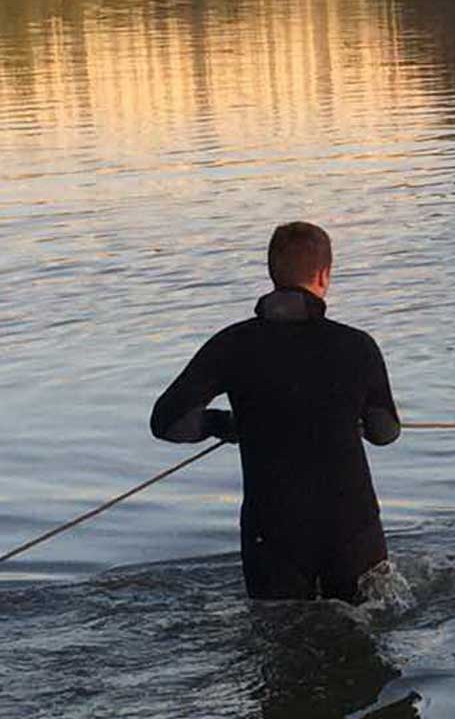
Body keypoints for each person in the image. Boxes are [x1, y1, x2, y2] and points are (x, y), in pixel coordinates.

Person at [150, 222, 401, 602]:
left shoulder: (232, 344)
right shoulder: (357, 346)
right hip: (352, 526)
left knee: (278, 637)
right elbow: (385, 432)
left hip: (272, 533)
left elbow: (168, 423)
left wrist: (225, 424)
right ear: (324, 273)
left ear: (272, 274)